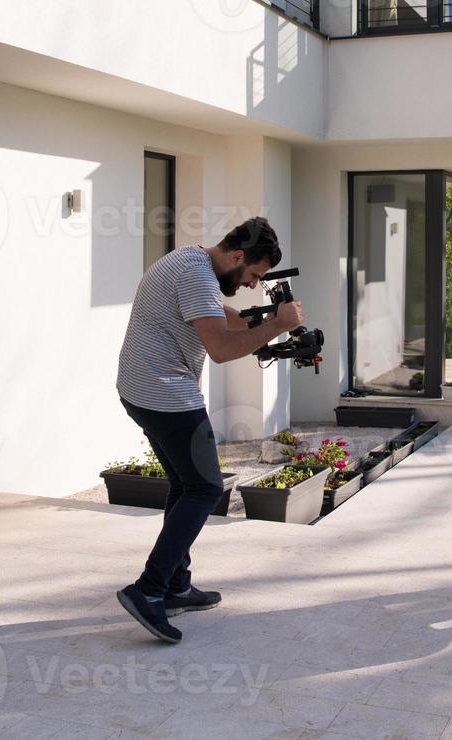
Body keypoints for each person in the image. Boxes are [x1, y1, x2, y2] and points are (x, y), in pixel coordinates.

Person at [114, 217, 304, 643]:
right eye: (254, 274)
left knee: (186, 485)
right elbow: (219, 349)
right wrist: (276, 326)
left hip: (140, 388)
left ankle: (177, 585)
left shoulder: (191, 261)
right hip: (165, 394)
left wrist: (264, 319)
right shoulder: (197, 275)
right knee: (204, 489)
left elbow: (223, 317)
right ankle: (149, 590)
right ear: (238, 257)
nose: (255, 283)